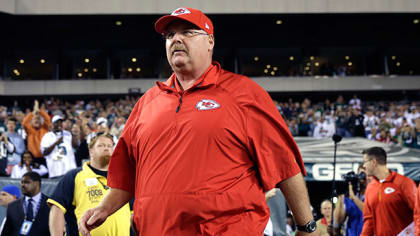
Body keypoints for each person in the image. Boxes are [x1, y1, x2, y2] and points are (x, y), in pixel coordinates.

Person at [78, 7, 315, 236]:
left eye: (188, 32)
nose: (176, 39)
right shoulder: (147, 103)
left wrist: (306, 227)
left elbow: (285, 164)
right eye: (170, 35)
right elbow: (128, 175)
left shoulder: (244, 94)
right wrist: (103, 209)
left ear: (210, 41)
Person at [48, 133, 131, 236]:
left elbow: (134, 213)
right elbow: (57, 208)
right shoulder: (75, 176)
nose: (106, 148)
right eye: (101, 145)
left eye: (110, 146)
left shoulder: (123, 177)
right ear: (91, 151)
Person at [361, 146, 416, 236]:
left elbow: (418, 212)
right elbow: (369, 220)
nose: (363, 166)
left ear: (374, 162)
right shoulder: (370, 188)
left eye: (365, 162)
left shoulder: (404, 183)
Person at [334, 166, 368, 236]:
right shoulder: (349, 197)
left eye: (364, 175)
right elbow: (337, 222)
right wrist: (341, 197)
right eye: (360, 175)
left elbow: (369, 212)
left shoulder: (376, 194)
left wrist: (354, 197)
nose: (363, 178)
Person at [22, 100, 51, 165]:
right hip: (33, 159)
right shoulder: (29, 130)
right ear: (31, 122)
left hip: (45, 157)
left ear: (41, 121)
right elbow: (24, 123)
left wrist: (39, 111)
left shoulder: (45, 128)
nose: (36, 120)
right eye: (34, 119)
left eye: (38, 119)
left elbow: (47, 119)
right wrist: (33, 113)